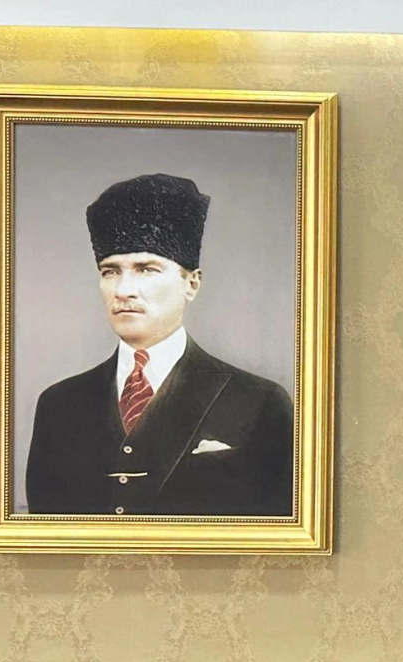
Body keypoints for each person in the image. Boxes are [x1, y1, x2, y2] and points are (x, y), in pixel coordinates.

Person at [24, 173, 293, 517]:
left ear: (191, 284)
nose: (124, 290)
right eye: (110, 271)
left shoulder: (259, 401)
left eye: (147, 269)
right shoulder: (59, 405)